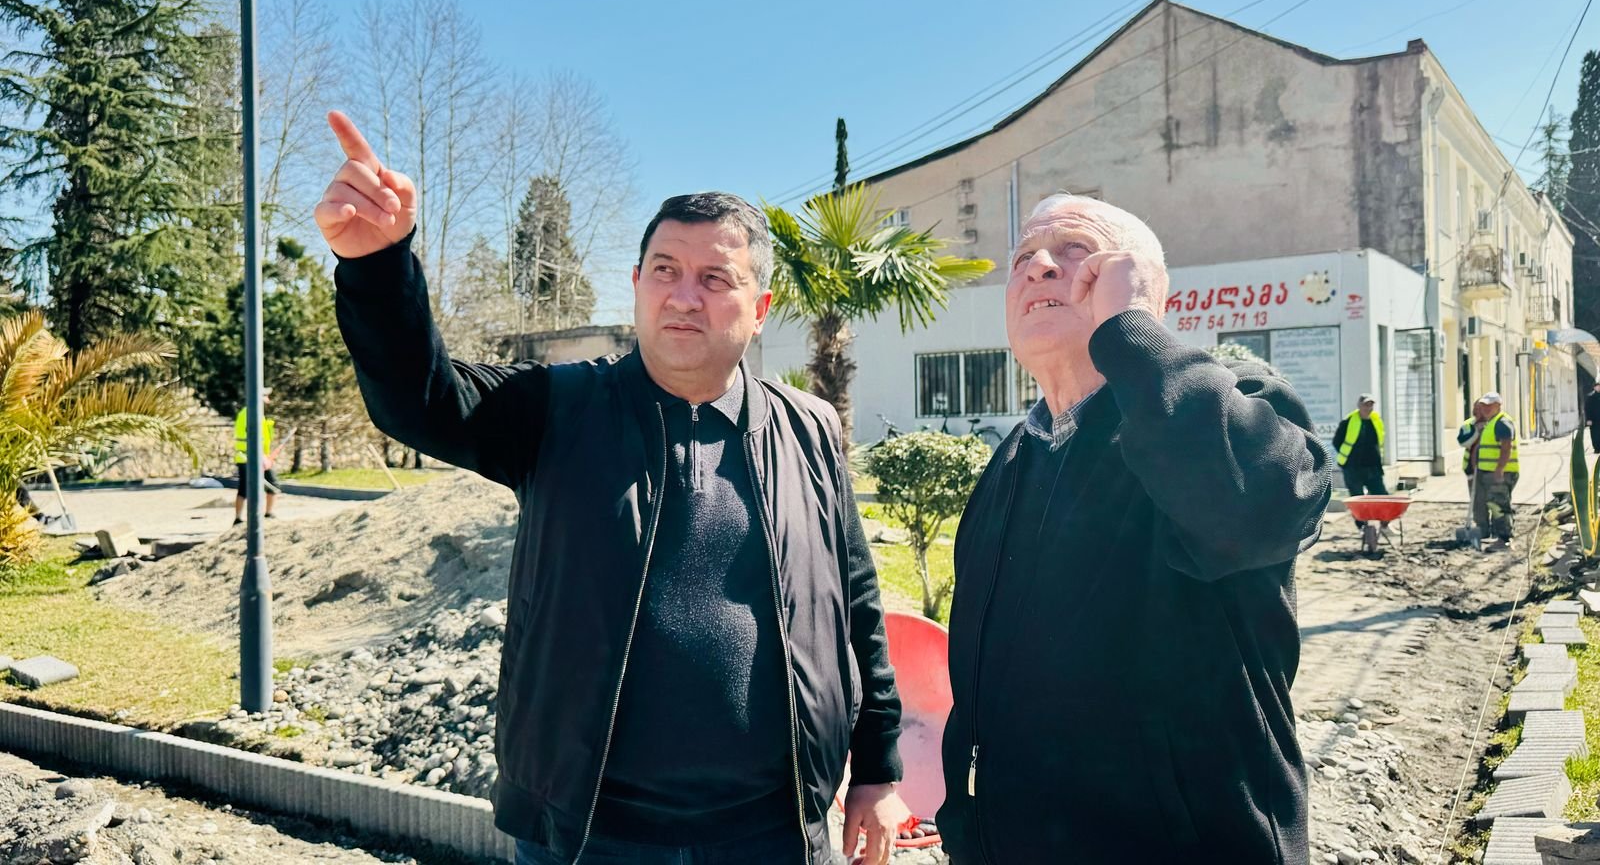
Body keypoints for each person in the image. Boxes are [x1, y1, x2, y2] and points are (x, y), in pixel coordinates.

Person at [317, 112, 907, 865]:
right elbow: (421, 402)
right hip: (592, 836)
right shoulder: (559, 409)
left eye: (715, 278)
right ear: (635, 285)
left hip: (775, 833)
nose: (684, 296)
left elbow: (857, 605)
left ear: (759, 311)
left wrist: (877, 769)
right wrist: (377, 266)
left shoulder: (809, 428)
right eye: (664, 270)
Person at [936, 194, 1331, 863]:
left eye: (1076, 251)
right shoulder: (1013, 459)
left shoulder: (1229, 403)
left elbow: (1251, 511)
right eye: (1023, 256)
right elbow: (977, 676)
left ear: (1144, 291)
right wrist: (964, 824)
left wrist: (1132, 332)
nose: (1038, 266)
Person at [1458, 392, 1519, 542]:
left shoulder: (1502, 423)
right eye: (1482, 406)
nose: (1484, 409)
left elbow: (1506, 448)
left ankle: (1504, 539)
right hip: (1484, 471)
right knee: (1487, 504)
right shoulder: (1488, 423)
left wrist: (1499, 469)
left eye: (1488, 406)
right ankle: (1491, 535)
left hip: (1499, 473)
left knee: (1498, 506)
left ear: (1498, 406)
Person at [233, 387, 278, 525]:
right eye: (264, 396)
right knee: (248, 488)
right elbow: (253, 437)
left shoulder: (253, 413)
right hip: (250, 457)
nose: (267, 399)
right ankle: (240, 518)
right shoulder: (251, 413)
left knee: (270, 485)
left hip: (257, 457)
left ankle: (267, 513)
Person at [1332, 393, 1388, 501]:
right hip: (1353, 468)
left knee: (1381, 497)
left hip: (1373, 468)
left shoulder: (1376, 421)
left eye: (1371, 405)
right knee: (1358, 500)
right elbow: (1336, 442)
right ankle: (1360, 514)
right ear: (1359, 405)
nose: (1368, 408)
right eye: (1366, 405)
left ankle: (1381, 513)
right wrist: (1349, 457)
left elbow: (1379, 442)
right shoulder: (1348, 422)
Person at [1586, 382, 1600, 454]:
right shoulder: (1590, 396)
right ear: (1594, 387)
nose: (1599, 388)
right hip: (1594, 419)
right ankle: (1596, 448)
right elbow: (1587, 409)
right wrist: (1588, 419)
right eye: (1597, 386)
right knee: (1595, 434)